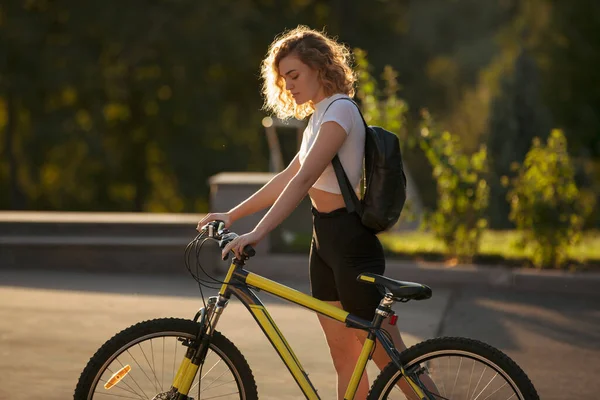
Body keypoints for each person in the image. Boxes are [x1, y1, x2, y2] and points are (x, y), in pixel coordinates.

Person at [197, 25, 423, 400]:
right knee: (345, 359)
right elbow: (285, 176)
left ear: (320, 67)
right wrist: (232, 216)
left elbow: (302, 182)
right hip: (324, 244)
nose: (289, 86)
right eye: (284, 79)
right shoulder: (317, 118)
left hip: (351, 245)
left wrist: (258, 233)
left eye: (295, 75)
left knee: (391, 362)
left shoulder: (341, 112)